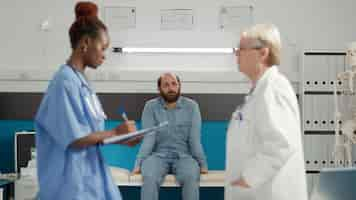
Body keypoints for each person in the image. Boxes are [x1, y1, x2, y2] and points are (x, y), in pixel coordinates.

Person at [34, 2, 138, 199]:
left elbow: (91, 135)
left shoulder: (82, 83)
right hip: (69, 186)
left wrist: (120, 139)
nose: (104, 56)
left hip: (89, 180)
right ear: (86, 43)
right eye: (102, 48)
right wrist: (115, 131)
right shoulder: (64, 83)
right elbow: (74, 138)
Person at [225, 24, 308, 200]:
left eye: (241, 49)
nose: (236, 54)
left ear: (263, 53)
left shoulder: (275, 88)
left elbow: (281, 144)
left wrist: (247, 179)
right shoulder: (260, 92)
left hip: (270, 193)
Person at [132, 73, 208, 200]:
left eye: (174, 84)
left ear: (179, 86)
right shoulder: (150, 107)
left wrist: (203, 164)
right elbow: (148, 139)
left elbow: (194, 139)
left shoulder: (192, 107)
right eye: (166, 85)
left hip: (184, 156)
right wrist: (138, 164)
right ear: (159, 89)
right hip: (158, 156)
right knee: (149, 175)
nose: (171, 88)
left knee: (191, 176)